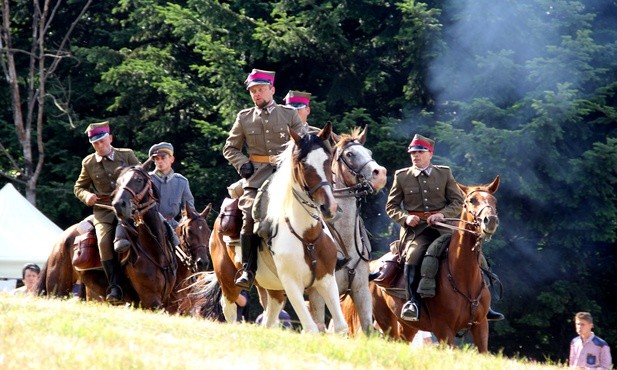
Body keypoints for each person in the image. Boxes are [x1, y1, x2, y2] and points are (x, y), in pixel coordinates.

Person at [384, 134, 504, 322]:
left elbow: (458, 201)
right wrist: (406, 218)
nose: (415, 156)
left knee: (477, 256)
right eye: (413, 153)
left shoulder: (444, 173)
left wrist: (442, 214)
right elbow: (391, 207)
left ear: (430, 154)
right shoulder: (401, 176)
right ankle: (412, 302)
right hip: (418, 231)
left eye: (420, 152)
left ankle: (485, 304)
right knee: (413, 255)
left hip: (445, 226)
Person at [223, 68, 305, 290]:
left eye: (260, 89)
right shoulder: (244, 117)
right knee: (249, 214)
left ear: (272, 90)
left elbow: (304, 143)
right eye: (253, 91)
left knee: (318, 205)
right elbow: (230, 148)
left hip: (287, 176)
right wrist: (242, 164)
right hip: (257, 177)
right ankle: (248, 269)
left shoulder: (289, 114)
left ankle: (332, 258)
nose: (257, 94)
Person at [74, 121, 140, 304]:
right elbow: (79, 187)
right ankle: (114, 286)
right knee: (103, 242)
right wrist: (86, 195)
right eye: (95, 143)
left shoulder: (126, 155)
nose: (99, 146)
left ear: (110, 139)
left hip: (129, 210)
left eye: (102, 141)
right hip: (103, 212)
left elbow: (141, 175)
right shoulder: (88, 163)